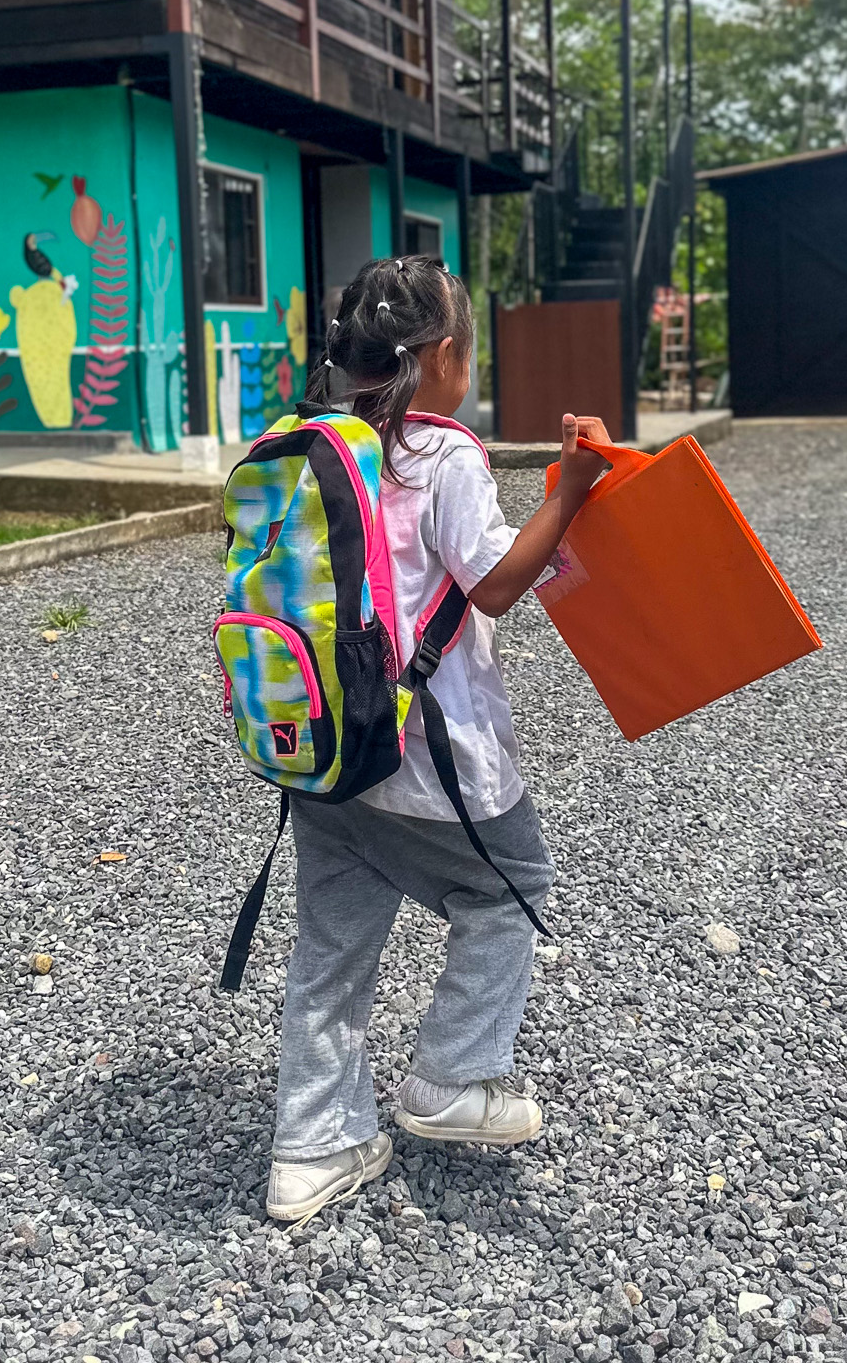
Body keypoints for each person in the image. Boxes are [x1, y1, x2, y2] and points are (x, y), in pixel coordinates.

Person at [264, 252, 611, 1223]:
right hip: (434, 753)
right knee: (512, 889)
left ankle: (311, 1144)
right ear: (447, 354)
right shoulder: (444, 453)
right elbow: (497, 580)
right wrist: (570, 491)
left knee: (332, 948)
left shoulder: (306, 441)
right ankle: (454, 1077)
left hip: (328, 753)